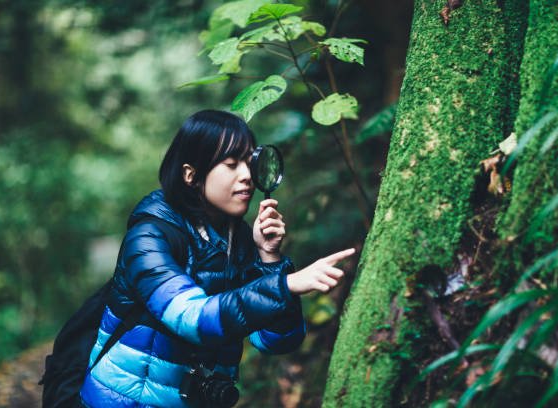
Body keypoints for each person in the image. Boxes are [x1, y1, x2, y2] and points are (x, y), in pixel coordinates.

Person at [79, 110, 355, 407]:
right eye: (231, 164)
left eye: (249, 163)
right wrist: (284, 285)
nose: (248, 175)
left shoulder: (240, 243)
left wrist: (271, 259)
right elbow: (193, 319)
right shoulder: (148, 237)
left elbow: (276, 342)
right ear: (191, 175)